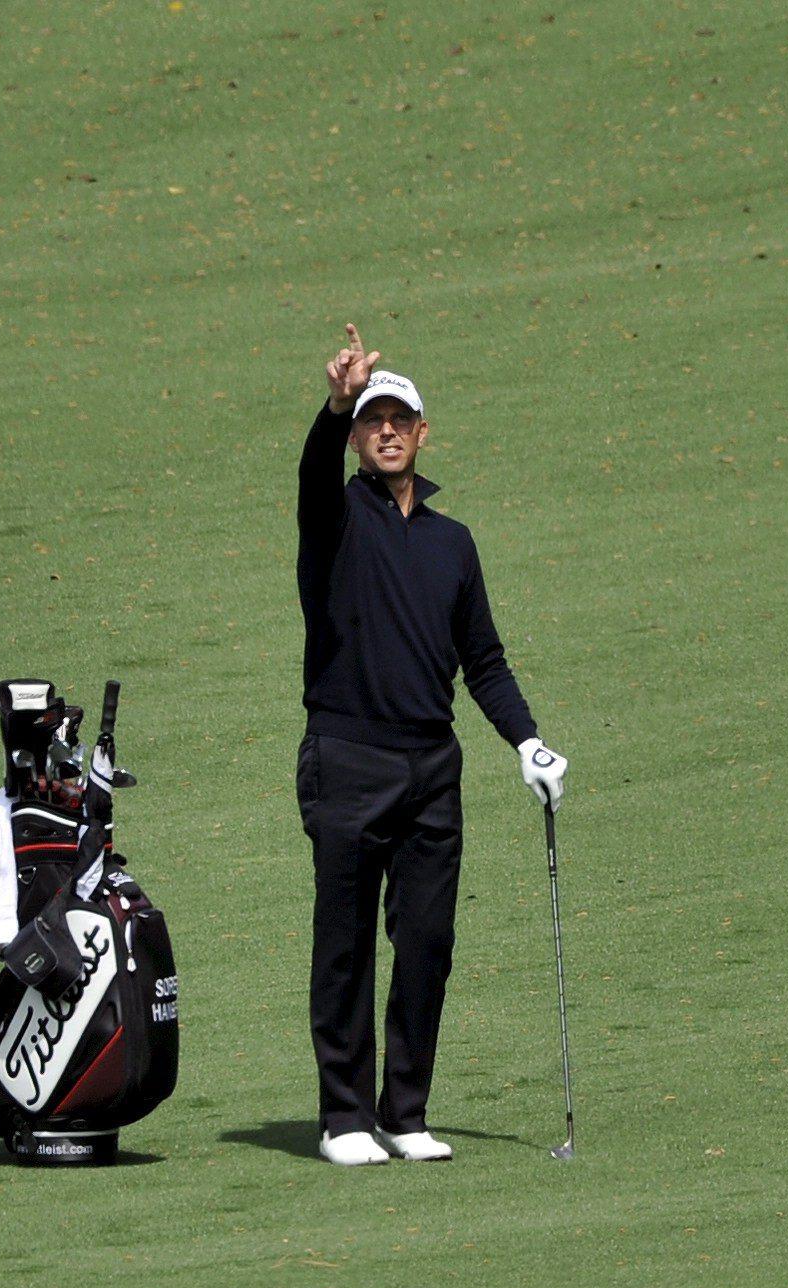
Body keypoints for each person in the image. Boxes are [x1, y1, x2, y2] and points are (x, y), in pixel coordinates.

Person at [294, 324, 568, 1166]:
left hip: (429, 768)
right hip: (347, 757)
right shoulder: (336, 516)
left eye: (398, 419)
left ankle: (404, 1113)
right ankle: (345, 1117)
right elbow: (309, 476)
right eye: (370, 419)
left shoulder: (453, 542)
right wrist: (330, 403)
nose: (385, 430)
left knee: (428, 941)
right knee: (344, 944)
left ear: (420, 434)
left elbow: (482, 659)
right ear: (356, 434)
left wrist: (527, 741)